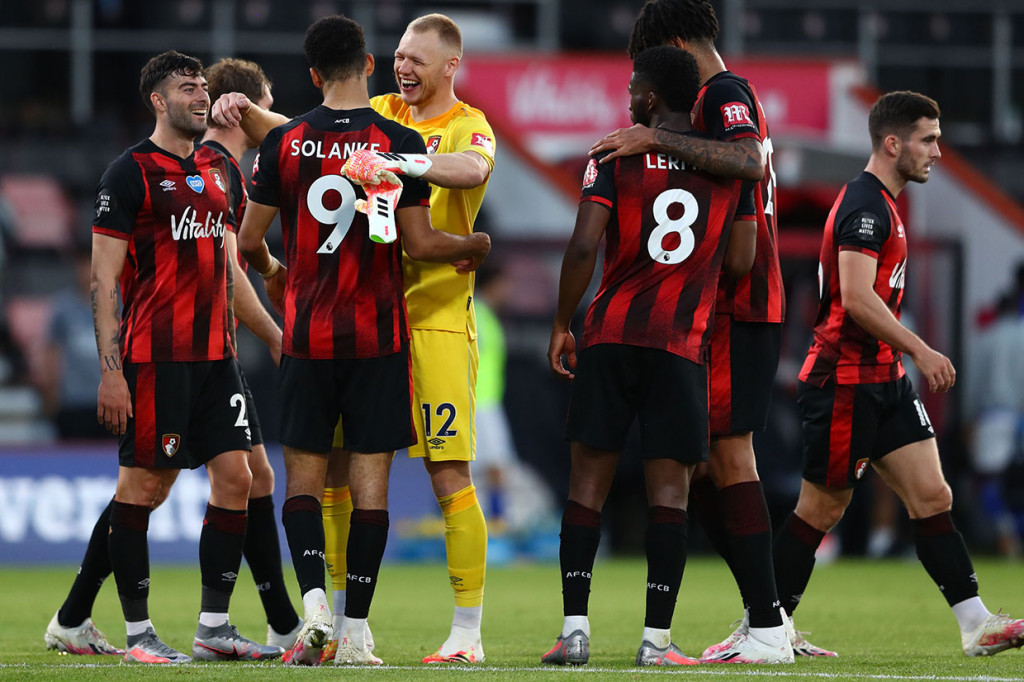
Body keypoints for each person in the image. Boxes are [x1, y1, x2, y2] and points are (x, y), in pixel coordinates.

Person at [214, 12, 497, 665]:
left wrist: (400, 161)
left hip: (432, 321)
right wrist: (245, 110)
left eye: (417, 59)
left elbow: (468, 170)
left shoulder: (467, 124)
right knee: (343, 476)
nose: (404, 67)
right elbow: (306, 133)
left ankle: (466, 631)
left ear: (450, 65)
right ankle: (349, 627)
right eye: (399, 55)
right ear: (371, 63)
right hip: (375, 323)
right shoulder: (385, 113)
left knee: (447, 471)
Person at [43, 57, 303, 660]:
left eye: (204, 88)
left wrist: (270, 318)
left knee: (239, 477)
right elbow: (103, 281)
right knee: (143, 487)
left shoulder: (222, 170)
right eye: (188, 88)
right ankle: (137, 634)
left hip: (217, 357)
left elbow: (227, 268)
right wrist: (111, 373)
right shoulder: (128, 172)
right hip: (156, 356)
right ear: (158, 101)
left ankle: (213, 628)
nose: (200, 96)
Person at [542, 46, 766, 668]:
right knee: (671, 496)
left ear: (648, 97)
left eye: (631, 91)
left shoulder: (613, 153)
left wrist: (562, 324)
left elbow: (584, 244)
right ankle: (656, 642)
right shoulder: (730, 166)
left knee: (587, 486)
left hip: (610, 335)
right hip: (680, 343)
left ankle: (574, 632)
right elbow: (743, 259)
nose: (627, 101)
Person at [778, 90, 1024, 657]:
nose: (937, 151)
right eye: (928, 139)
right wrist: (922, 349)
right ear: (893, 144)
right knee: (821, 509)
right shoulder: (866, 206)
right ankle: (764, 626)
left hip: (881, 377)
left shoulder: (885, 204)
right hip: (844, 378)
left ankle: (976, 624)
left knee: (932, 495)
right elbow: (858, 298)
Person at [596, 0, 799, 661]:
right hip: (726, 306)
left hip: (737, 302)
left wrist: (656, 140)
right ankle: (768, 618)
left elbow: (749, 162)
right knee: (706, 463)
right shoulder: (728, 95)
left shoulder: (721, 93)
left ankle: (768, 626)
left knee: (729, 456)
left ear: (677, 46)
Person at [39, 243, 109, 440]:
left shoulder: (119, 305)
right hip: (73, 402)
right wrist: (51, 392)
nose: (88, 270)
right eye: (83, 264)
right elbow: (52, 351)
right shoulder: (63, 308)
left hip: (110, 401)